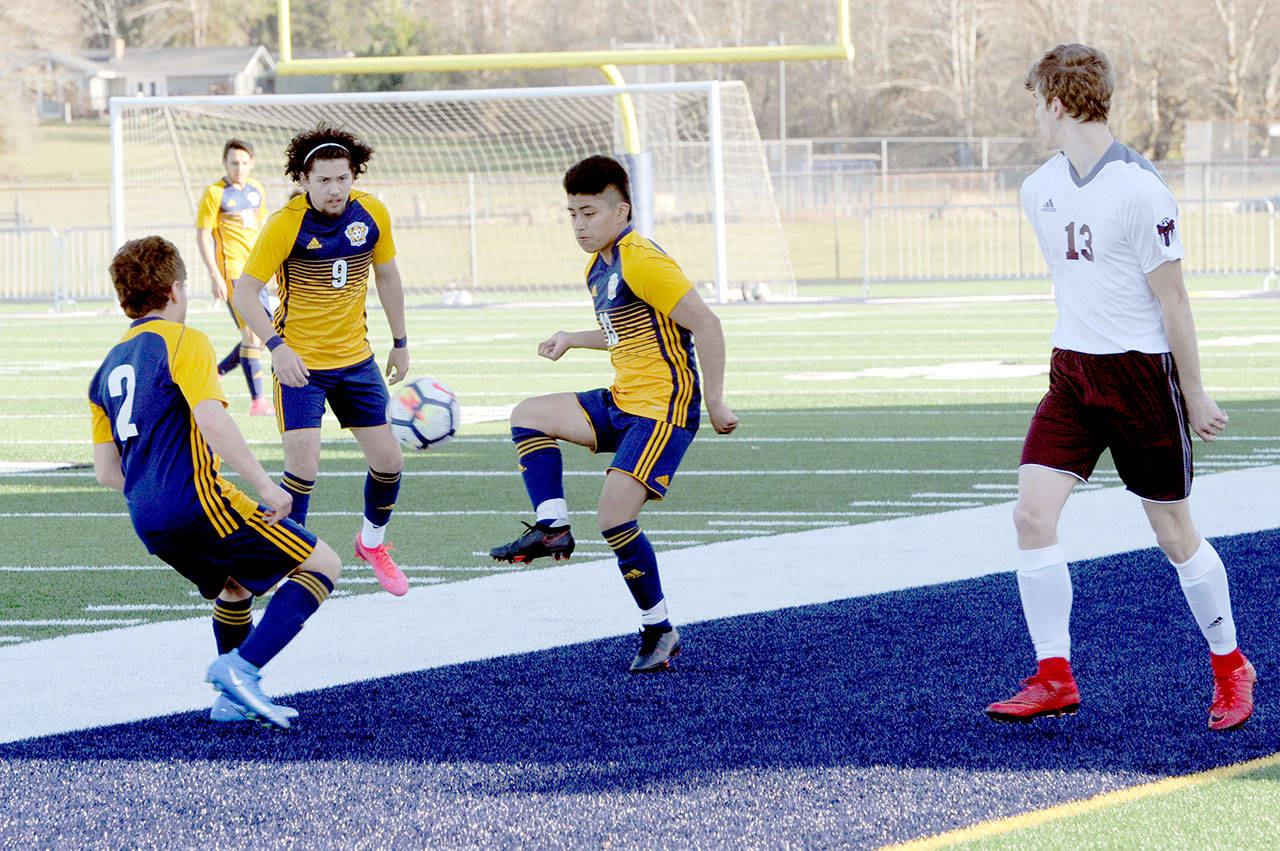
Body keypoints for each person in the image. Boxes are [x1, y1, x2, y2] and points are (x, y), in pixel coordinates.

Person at [985, 44, 1254, 730]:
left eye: (1035, 101)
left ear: (1056, 102)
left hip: (1140, 376)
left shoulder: (1139, 188)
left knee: (1174, 532)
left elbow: (1176, 301)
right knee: (1031, 515)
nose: (1034, 116)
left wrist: (1193, 392)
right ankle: (1054, 674)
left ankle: (1230, 664)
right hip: (1072, 373)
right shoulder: (1037, 188)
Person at [489, 155, 739, 673]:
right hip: (624, 400)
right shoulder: (597, 265)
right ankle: (552, 527)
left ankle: (659, 628)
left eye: (590, 213)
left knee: (613, 517)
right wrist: (571, 339)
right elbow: (623, 332)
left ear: (621, 210)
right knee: (528, 414)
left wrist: (714, 401)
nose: (580, 225)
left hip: (663, 409)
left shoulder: (642, 259)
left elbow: (707, 325)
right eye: (572, 214)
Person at [89, 235, 342, 730]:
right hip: (198, 502)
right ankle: (242, 668)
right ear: (176, 290)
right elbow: (212, 420)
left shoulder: (103, 371)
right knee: (323, 565)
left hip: (146, 517)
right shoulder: (185, 340)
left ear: (124, 300)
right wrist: (267, 487)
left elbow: (106, 472)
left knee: (234, 587)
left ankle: (231, 702)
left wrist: (154, 488)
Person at [232, 125, 411, 597]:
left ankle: (372, 544)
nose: (335, 189)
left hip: (356, 361)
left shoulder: (372, 212)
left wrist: (401, 340)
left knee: (389, 461)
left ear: (354, 176)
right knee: (304, 468)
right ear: (304, 179)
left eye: (342, 178)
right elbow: (244, 292)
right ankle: (294, 562)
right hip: (300, 366)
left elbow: (388, 276)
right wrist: (276, 347)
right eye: (324, 179)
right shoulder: (285, 223)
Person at [196, 139, 274, 417]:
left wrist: (272, 267)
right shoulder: (215, 193)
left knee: (265, 335)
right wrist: (215, 275)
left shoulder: (258, 190)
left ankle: (217, 371)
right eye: (233, 163)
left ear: (251, 163)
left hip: (257, 272)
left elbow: (263, 230)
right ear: (224, 163)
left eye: (243, 163)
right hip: (233, 272)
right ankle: (258, 402)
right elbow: (204, 235)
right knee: (252, 333)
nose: (239, 168)